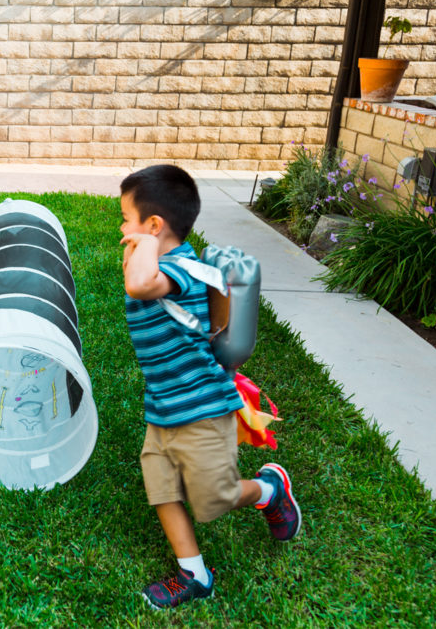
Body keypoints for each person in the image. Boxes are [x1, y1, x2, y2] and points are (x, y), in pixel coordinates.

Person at [119, 164, 301, 610]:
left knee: (213, 501)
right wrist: (143, 245)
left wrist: (144, 246)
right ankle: (195, 575)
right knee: (161, 490)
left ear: (155, 226)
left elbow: (140, 284)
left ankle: (270, 489)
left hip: (200, 407)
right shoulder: (164, 261)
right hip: (163, 407)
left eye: (127, 219)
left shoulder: (183, 268)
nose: (122, 228)